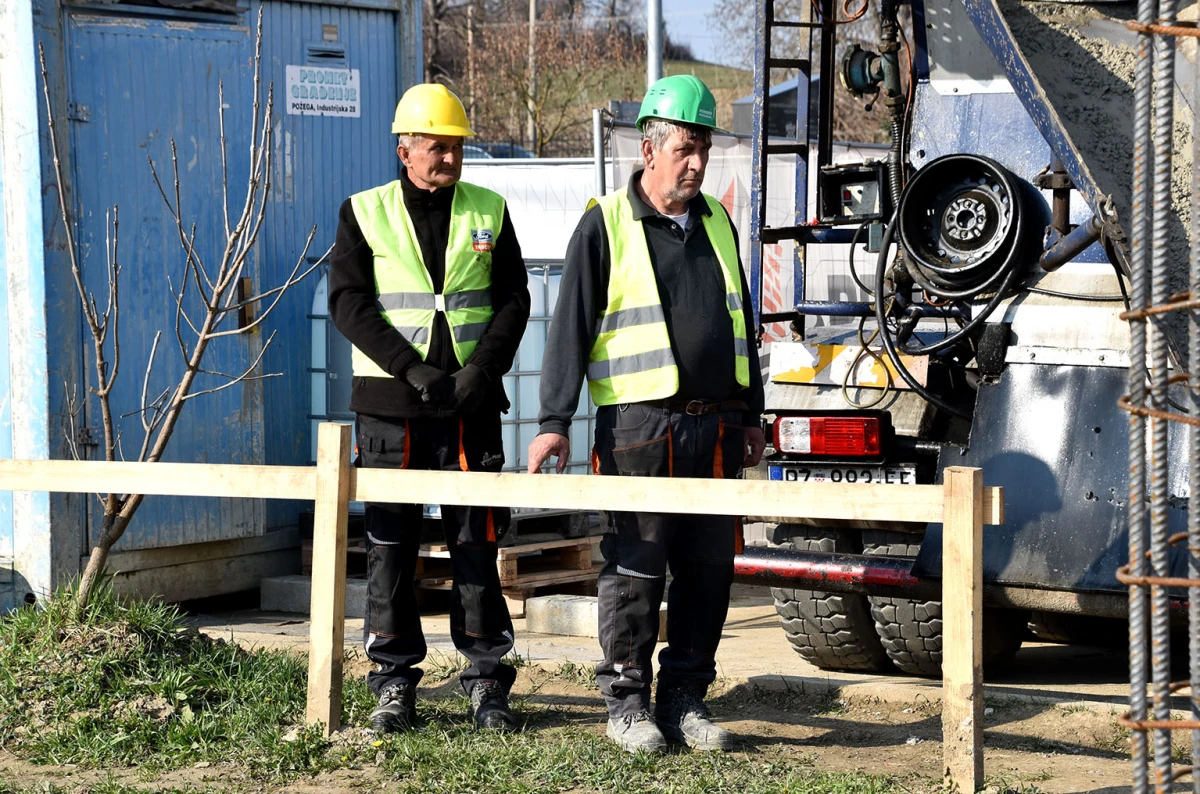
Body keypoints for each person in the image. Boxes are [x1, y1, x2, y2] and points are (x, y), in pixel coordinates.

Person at [527, 74, 766, 753]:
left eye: (705, 149)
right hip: (638, 425)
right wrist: (552, 421)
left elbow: (738, 323)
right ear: (649, 148)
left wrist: (751, 413)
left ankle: (686, 699)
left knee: (709, 568)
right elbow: (568, 327)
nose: (696, 163)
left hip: (715, 425)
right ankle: (627, 705)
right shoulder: (604, 223)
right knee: (636, 567)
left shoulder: (717, 221)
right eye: (686, 148)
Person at [329, 83, 530, 734]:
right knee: (390, 548)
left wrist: (480, 370)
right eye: (437, 147)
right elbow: (349, 303)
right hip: (392, 406)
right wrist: (409, 366)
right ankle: (393, 684)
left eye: (456, 147)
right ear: (404, 149)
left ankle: (486, 684)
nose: (448, 158)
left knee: (477, 542)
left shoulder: (490, 210)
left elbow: (513, 299)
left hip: (470, 408)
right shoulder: (364, 212)